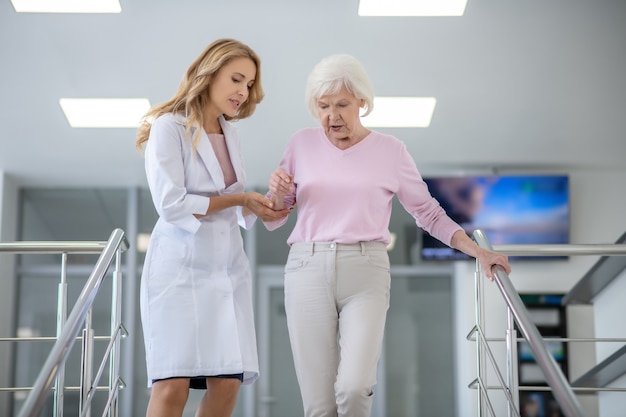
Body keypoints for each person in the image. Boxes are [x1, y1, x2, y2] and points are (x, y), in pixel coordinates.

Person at [263, 54, 512, 417]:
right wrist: (276, 192)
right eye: (323, 106)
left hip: (365, 269)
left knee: (354, 388)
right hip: (306, 265)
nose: (332, 116)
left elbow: (427, 212)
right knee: (318, 405)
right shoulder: (300, 144)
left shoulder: (390, 151)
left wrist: (477, 251)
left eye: (342, 105)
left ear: (362, 101)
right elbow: (275, 216)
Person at [135, 38, 290, 417]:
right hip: (179, 271)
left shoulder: (230, 134)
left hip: (226, 271)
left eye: (249, 84)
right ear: (209, 73)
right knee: (173, 386)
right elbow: (171, 204)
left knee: (227, 387)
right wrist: (241, 200)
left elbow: (236, 206)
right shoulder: (168, 127)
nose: (243, 91)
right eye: (236, 79)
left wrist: (272, 202)